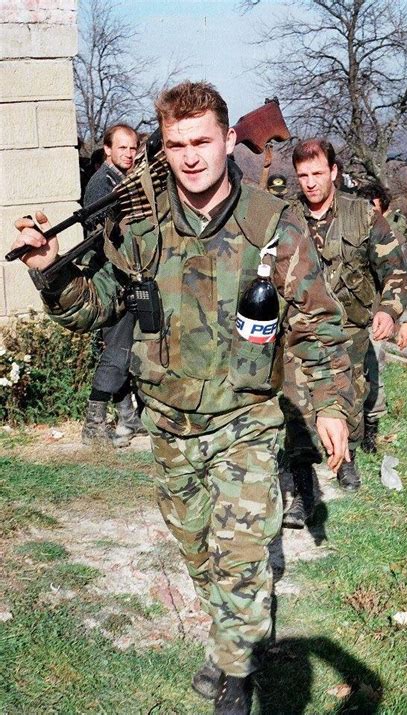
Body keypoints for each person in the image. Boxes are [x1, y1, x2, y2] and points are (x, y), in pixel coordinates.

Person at [12, 81, 354, 715]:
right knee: (200, 551)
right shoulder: (142, 226)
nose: (191, 157)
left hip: (245, 419)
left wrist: (332, 405)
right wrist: (49, 269)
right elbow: (94, 309)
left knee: (246, 557)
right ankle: (235, 638)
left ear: (229, 141)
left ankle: (235, 678)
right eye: (176, 145)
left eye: (202, 141)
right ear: (161, 148)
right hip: (168, 425)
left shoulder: (270, 225)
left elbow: (318, 323)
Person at [282, 138, 407, 526]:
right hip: (299, 329)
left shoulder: (362, 216)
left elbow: (396, 271)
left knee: (349, 398)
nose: (311, 183)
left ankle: (345, 460)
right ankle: (302, 490)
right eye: (303, 176)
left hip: (350, 328)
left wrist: (389, 309)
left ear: (334, 172)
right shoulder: (285, 217)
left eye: (318, 173)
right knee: (297, 406)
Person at [81, 124, 147, 448]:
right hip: (111, 279)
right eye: (122, 148)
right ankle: (93, 425)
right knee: (117, 349)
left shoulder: (119, 180)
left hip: (125, 275)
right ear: (107, 150)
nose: (129, 153)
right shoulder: (101, 185)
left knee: (126, 348)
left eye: (133, 148)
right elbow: (101, 239)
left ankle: (129, 418)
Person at [358, 183, 407, 452]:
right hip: (348, 315)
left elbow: (406, 279)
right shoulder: (348, 230)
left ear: (382, 207)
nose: (369, 212)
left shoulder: (391, 236)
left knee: (374, 372)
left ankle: (370, 429)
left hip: (378, 316)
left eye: (373, 207)